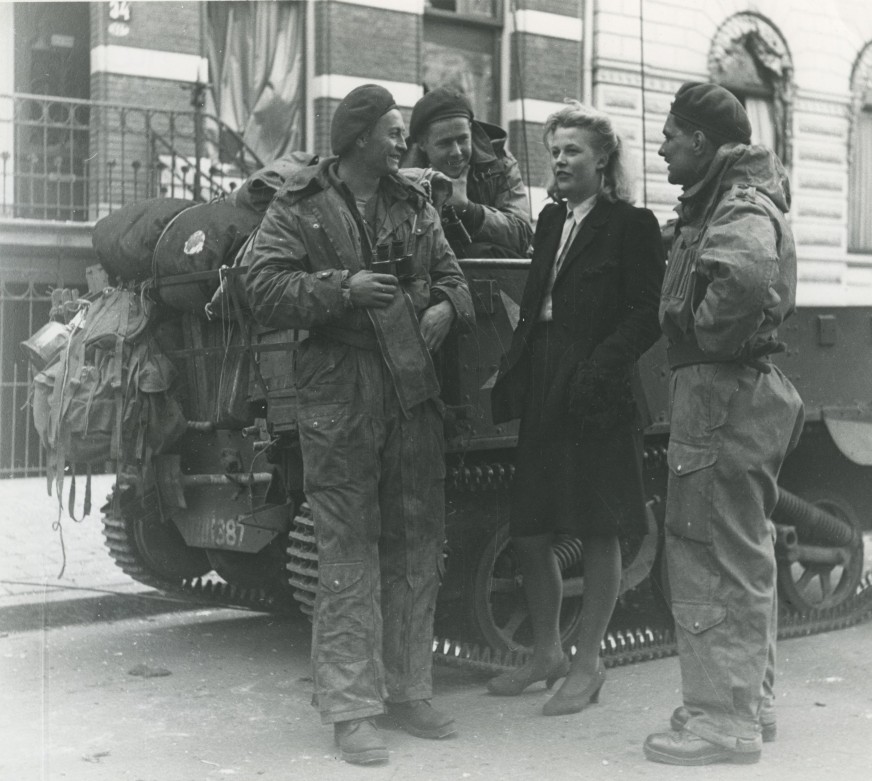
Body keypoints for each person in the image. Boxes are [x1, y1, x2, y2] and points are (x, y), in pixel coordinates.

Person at [245, 83, 475, 766]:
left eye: (402, 131)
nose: (402, 140)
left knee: (415, 545)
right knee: (347, 552)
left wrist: (445, 309)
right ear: (359, 140)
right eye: (392, 131)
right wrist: (341, 289)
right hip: (338, 397)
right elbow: (259, 286)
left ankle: (410, 688)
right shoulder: (300, 205)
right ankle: (351, 710)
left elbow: (455, 279)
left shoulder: (413, 203)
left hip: (410, 393)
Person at [643, 82, 805, 766]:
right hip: (737, 390)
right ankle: (747, 700)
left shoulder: (737, 202)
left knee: (707, 549)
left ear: (702, 143)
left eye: (670, 136)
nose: (661, 147)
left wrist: (705, 337)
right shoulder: (732, 195)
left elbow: (743, 277)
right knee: (743, 550)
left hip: (720, 391)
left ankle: (720, 720)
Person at [488, 101, 665, 715]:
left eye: (573, 151)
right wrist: (514, 368)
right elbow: (538, 301)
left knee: (597, 526)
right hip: (543, 379)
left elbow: (648, 314)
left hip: (596, 389)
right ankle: (546, 653)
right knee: (531, 528)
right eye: (555, 150)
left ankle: (588, 664)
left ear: (603, 160)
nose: (560, 161)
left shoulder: (632, 224)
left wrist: (597, 368)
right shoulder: (549, 221)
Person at [402, 86, 533, 258]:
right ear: (422, 143)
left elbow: (523, 235)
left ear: (470, 129)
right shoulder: (401, 175)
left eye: (463, 139)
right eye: (445, 143)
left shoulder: (500, 164)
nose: (456, 152)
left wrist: (469, 210)